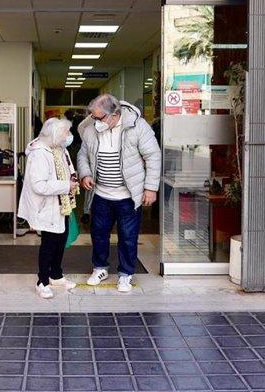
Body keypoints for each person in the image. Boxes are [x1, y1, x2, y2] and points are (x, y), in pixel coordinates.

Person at [77, 94, 161, 293]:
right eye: (93, 118)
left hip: (128, 196)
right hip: (101, 194)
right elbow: (82, 153)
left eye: (99, 118)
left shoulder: (137, 127)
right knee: (98, 235)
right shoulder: (92, 129)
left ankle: (126, 274)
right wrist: (85, 174)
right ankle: (100, 268)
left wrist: (151, 188)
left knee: (128, 237)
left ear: (115, 114)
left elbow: (153, 156)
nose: (96, 122)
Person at [18, 117, 80, 299]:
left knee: (61, 241)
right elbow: (39, 185)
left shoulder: (60, 149)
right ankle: (42, 281)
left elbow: (68, 170)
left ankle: (56, 275)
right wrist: (66, 186)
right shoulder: (39, 154)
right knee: (49, 245)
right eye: (65, 133)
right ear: (54, 135)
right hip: (47, 207)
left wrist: (72, 181)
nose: (69, 136)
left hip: (63, 204)